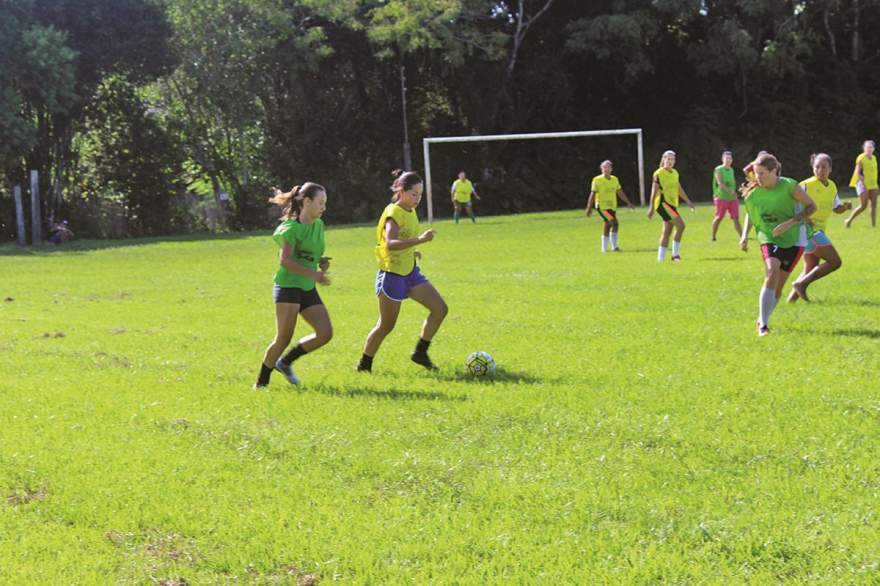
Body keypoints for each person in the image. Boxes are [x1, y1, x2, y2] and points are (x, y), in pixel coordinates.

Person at [358, 170, 448, 372]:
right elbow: (390, 243)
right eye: (414, 194)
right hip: (391, 276)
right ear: (401, 191)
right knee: (386, 325)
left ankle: (420, 353)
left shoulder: (410, 210)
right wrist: (420, 241)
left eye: (420, 194)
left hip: (410, 273)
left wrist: (412, 251)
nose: (417, 198)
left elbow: (403, 241)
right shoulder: (394, 213)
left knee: (440, 309)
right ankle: (364, 365)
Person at [254, 183, 333, 389]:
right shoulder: (290, 228)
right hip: (288, 287)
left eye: (325, 203)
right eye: (320, 203)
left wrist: (321, 262)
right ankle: (261, 383)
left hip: (306, 287)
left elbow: (311, 253)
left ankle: (285, 363)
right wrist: (315, 274)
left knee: (325, 333)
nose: (324, 207)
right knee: (283, 338)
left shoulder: (318, 225)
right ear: (306, 202)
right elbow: (285, 261)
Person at [739, 153, 816, 336]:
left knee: (779, 286)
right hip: (769, 236)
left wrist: (789, 223)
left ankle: (762, 318)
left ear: (775, 171)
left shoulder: (790, 186)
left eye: (763, 173)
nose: (758, 177)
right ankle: (763, 325)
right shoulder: (753, 194)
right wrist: (744, 236)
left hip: (795, 239)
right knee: (772, 271)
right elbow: (752, 215)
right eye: (756, 173)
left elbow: (812, 207)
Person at [788, 153, 851, 302]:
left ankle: (790, 302)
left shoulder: (832, 186)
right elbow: (792, 204)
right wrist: (805, 216)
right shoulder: (805, 185)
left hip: (818, 231)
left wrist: (845, 207)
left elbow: (836, 208)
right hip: (807, 230)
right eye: (817, 167)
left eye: (823, 167)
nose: (820, 170)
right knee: (835, 262)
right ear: (812, 168)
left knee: (810, 267)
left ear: (830, 169)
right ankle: (801, 284)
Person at [647, 150, 696, 261]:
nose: (670, 161)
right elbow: (653, 191)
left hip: (672, 204)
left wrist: (688, 201)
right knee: (681, 225)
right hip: (662, 204)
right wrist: (651, 208)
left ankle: (660, 259)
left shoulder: (675, 173)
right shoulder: (658, 173)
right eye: (668, 159)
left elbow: (679, 189)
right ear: (663, 159)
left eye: (672, 159)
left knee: (667, 231)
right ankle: (675, 255)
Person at [585, 160, 634, 252]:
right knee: (614, 223)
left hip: (612, 206)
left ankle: (607, 248)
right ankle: (612, 247)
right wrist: (589, 208)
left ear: (611, 169)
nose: (606, 169)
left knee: (608, 225)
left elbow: (619, 192)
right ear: (601, 169)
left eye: (608, 167)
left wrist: (628, 202)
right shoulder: (597, 180)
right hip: (601, 206)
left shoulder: (614, 179)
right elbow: (592, 194)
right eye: (604, 167)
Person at [844, 140, 878, 228]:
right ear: (864, 148)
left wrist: (875, 184)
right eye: (867, 147)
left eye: (871, 147)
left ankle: (873, 226)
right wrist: (864, 184)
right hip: (863, 184)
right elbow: (857, 173)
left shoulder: (874, 158)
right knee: (863, 206)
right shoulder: (861, 158)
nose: (869, 149)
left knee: (874, 205)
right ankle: (848, 220)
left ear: (873, 149)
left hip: (873, 184)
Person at [711, 150, 742, 241]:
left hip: (732, 198)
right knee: (719, 218)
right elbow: (720, 184)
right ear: (722, 159)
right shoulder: (718, 169)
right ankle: (713, 236)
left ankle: (742, 237)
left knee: (736, 217)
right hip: (721, 197)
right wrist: (731, 191)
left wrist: (734, 192)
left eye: (730, 158)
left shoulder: (731, 170)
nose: (728, 160)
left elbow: (732, 184)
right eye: (726, 158)